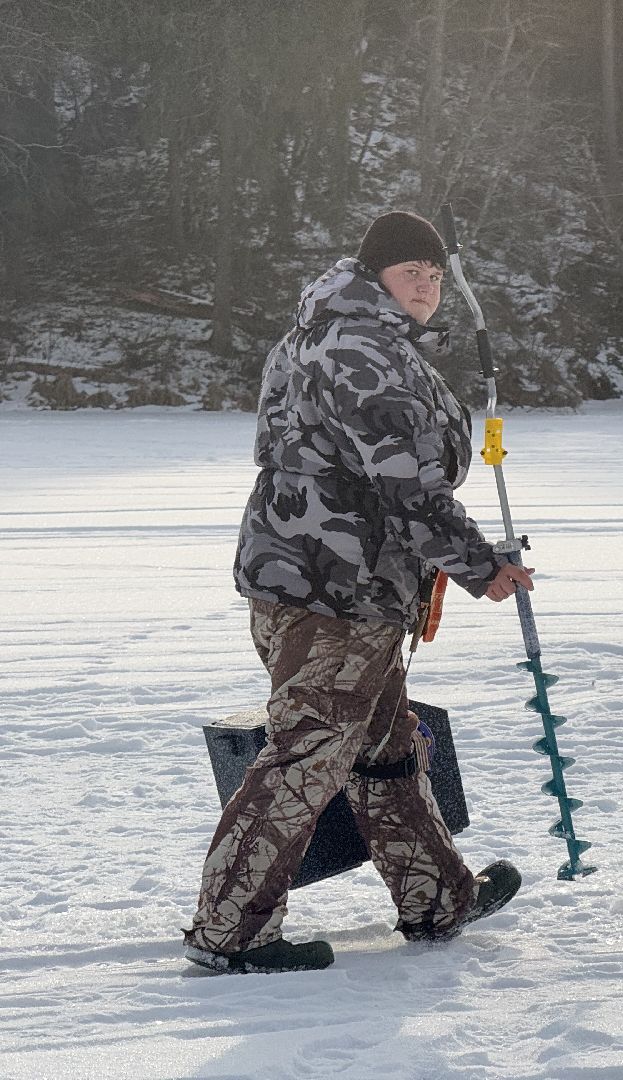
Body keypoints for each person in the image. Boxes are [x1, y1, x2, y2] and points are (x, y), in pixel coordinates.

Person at [184, 210, 533, 974]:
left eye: (435, 276)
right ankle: (230, 931)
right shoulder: (361, 349)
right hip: (335, 588)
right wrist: (480, 566)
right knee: (307, 754)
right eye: (412, 274)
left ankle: (436, 898)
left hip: (327, 580)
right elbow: (406, 488)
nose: (427, 288)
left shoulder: (326, 336)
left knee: (383, 748)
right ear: (375, 276)